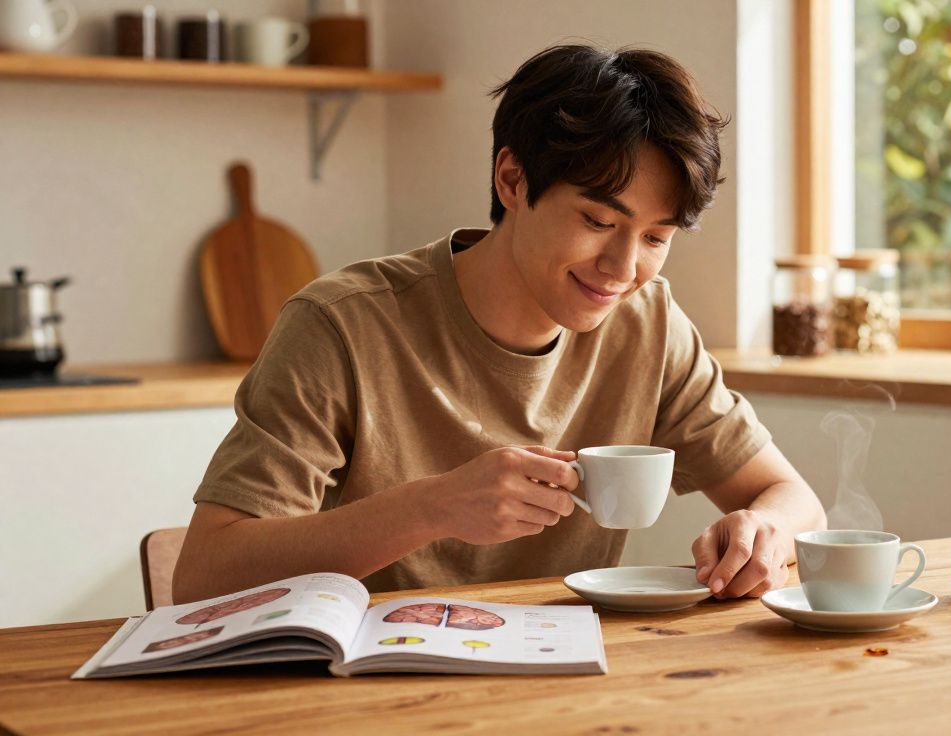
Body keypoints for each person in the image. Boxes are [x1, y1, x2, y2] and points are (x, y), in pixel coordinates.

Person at [172, 44, 826, 605]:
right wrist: (430, 508)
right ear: (512, 179)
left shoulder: (648, 325)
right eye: (598, 222)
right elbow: (204, 578)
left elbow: (792, 497)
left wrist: (760, 531)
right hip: (367, 689)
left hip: (570, 683)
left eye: (655, 237)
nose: (624, 267)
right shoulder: (342, 325)